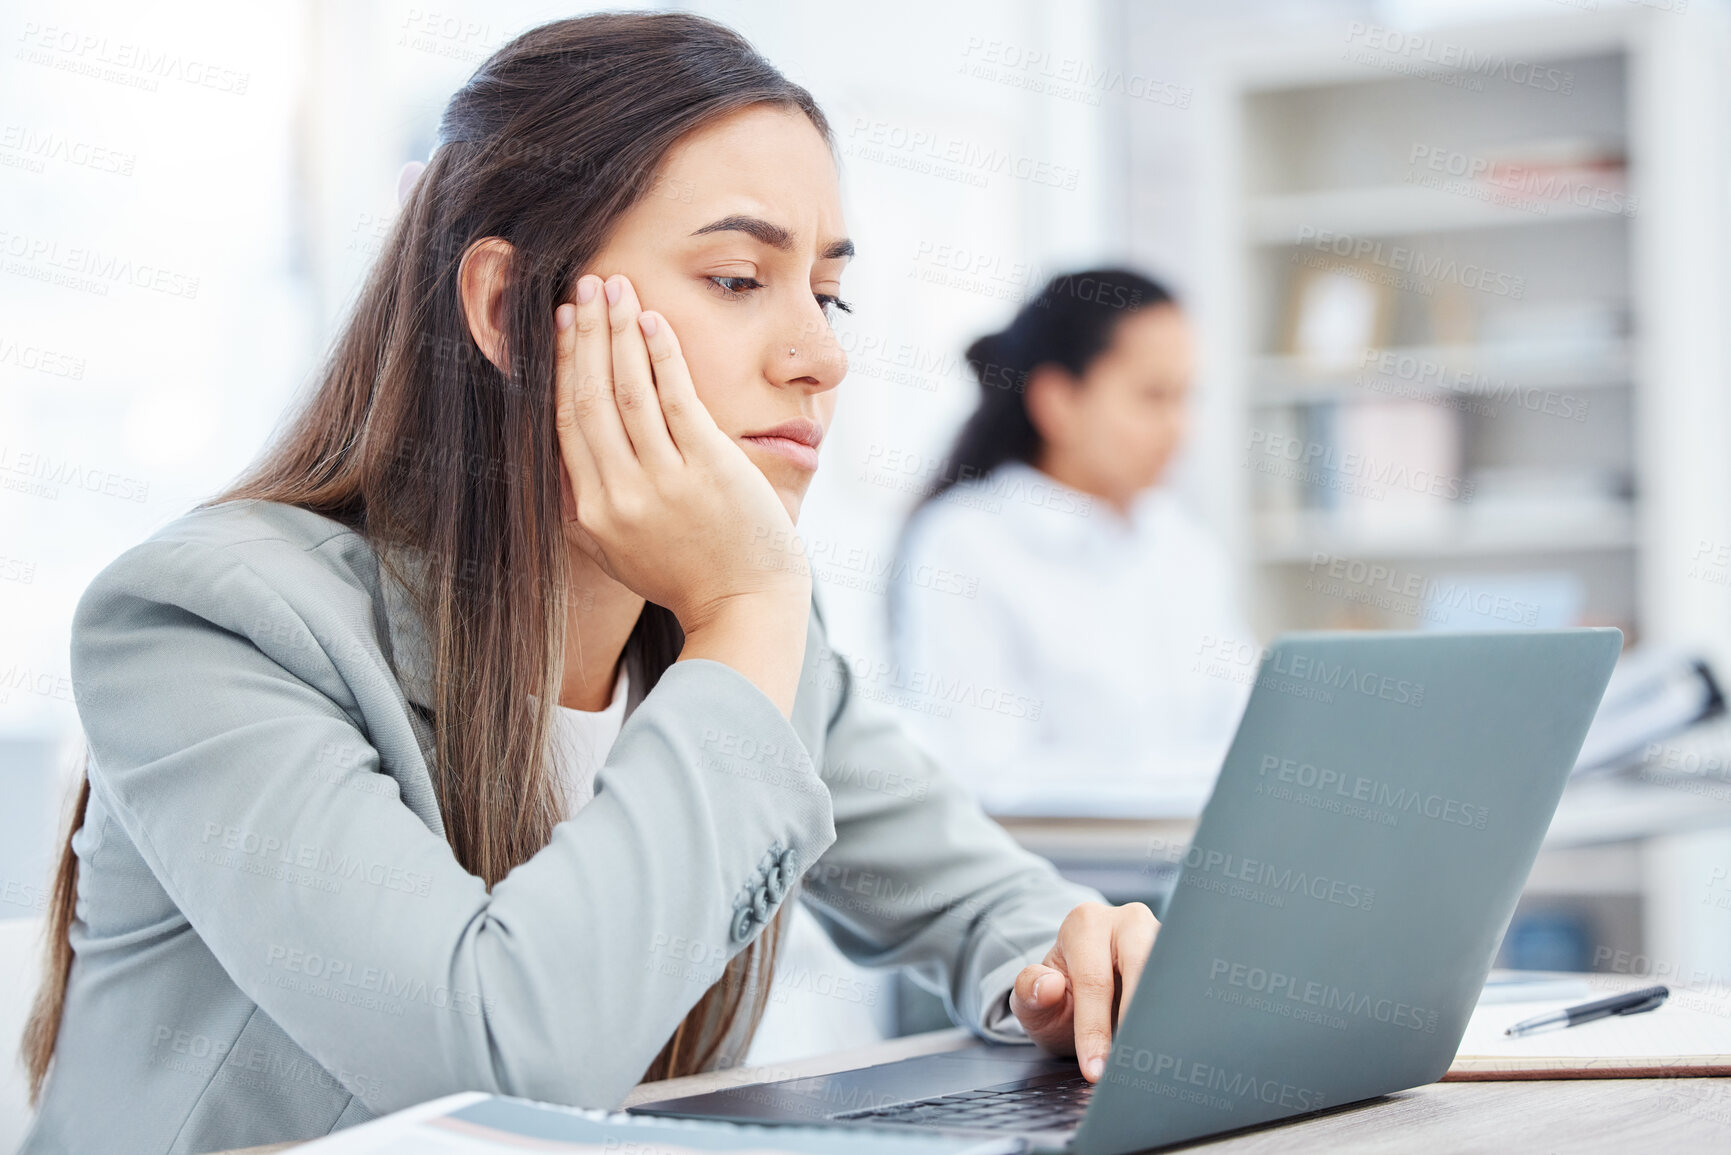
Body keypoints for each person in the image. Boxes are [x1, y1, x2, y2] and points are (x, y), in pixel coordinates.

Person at [17, 14, 1161, 1154]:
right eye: (734, 277)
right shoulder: (209, 627)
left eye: (828, 292)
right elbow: (494, 1071)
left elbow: (973, 902)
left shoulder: (744, 621)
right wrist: (744, 613)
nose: (821, 354)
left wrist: (1064, 962)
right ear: (511, 311)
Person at [890, 271, 1252, 816]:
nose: (1181, 428)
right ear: (1058, 402)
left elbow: (1246, 723)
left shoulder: (1179, 540)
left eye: (1186, 397)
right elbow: (988, 776)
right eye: (1153, 397)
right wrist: (1195, 787)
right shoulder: (965, 544)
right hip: (1065, 885)